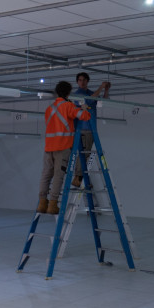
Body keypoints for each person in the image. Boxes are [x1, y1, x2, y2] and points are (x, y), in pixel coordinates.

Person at [37, 80, 91, 215]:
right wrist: (83, 107)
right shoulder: (68, 106)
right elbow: (85, 116)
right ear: (68, 92)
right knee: (58, 176)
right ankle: (53, 205)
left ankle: (42, 203)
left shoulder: (49, 108)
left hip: (49, 147)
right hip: (62, 147)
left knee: (45, 175)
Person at [69, 72, 110, 188]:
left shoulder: (90, 93)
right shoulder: (78, 94)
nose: (82, 82)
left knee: (84, 153)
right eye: (80, 80)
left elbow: (102, 100)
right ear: (77, 82)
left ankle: (79, 177)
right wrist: (101, 87)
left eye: (84, 80)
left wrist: (106, 90)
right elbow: (90, 100)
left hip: (89, 128)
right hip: (83, 128)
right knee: (84, 153)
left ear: (87, 81)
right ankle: (78, 177)